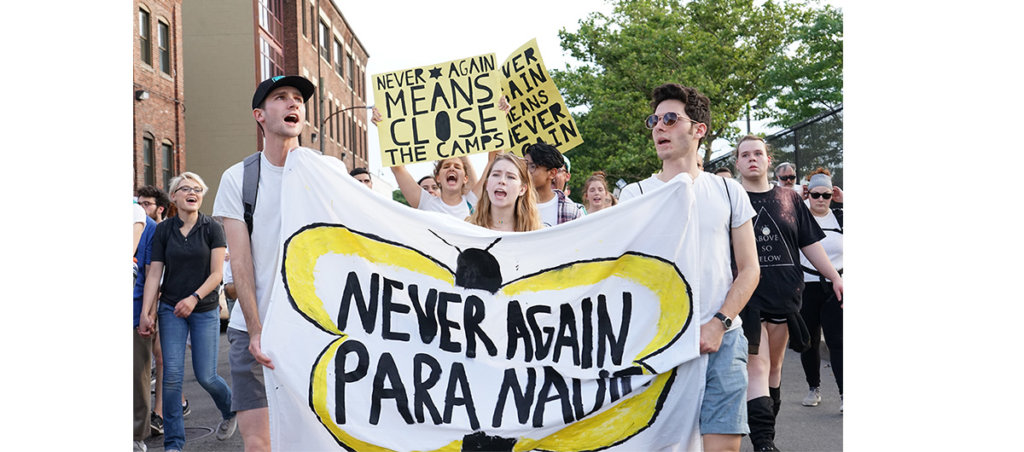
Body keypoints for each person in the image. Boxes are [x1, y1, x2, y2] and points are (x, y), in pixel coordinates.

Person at [619, 83, 760, 452]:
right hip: (657, 343)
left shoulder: (729, 192)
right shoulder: (636, 195)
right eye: (654, 120)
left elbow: (749, 269)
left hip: (723, 340)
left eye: (670, 119)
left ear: (699, 129)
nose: (658, 128)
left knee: (723, 446)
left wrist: (720, 323)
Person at [214, 75, 348, 452]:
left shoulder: (329, 171)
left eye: (298, 99)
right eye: (280, 97)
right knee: (259, 444)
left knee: (320, 439)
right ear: (260, 114)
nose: (293, 104)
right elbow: (239, 260)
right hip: (253, 330)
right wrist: (256, 330)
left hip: (317, 332)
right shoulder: (238, 177)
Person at [733, 135, 843, 451]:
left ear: (768, 160)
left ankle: (766, 434)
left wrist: (835, 277)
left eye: (758, 153)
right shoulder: (732, 198)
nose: (752, 158)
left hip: (785, 294)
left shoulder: (789, 199)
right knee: (758, 366)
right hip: (747, 297)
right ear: (738, 162)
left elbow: (809, 243)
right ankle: (764, 442)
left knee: (774, 370)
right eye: (745, 154)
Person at [139, 172, 236, 452]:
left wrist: (194, 298)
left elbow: (217, 273)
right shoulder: (164, 230)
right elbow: (154, 272)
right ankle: (174, 444)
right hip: (170, 308)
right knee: (170, 376)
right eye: (185, 188)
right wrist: (148, 312)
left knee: (206, 375)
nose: (192, 192)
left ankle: (230, 410)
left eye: (197, 189)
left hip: (203, 309)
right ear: (174, 197)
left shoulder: (211, 228)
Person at [136, 184, 185, 435]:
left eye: (147, 204)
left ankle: (161, 413)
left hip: (167, 301)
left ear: (160, 208)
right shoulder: (141, 229)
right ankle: (176, 403)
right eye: (139, 203)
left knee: (162, 358)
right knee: (159, 359)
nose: (142, 208)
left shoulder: (164, 230)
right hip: (150, 302)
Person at [797, 168, 844, 413]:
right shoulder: (799, 214)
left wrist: (844, 200)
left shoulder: (841, 216)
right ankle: (813, 387)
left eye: (826, 195)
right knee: (809, 342)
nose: (821, 200)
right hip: (807, 286)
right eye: (815, 195)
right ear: (808, 194)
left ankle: (845, 393)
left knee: (838, 341)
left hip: (836, 287)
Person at [133, 201, 158, 452]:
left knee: (136, 377)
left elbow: (152, 271)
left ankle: (137, 434)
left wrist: (147, 313)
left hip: (133, 310)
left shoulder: (147, 225)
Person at [466, 153, 542, 232]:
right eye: (496, 175)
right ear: (487, 184)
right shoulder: (468, 228)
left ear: (522, 189)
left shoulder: (536, 234)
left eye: (510, 177)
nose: (502, 181)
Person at [524, 142, 584, 227]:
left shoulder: (572, 212)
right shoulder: (513, 206)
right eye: (525, 166)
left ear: (552, 173)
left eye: (532, 166)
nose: (527, 172)